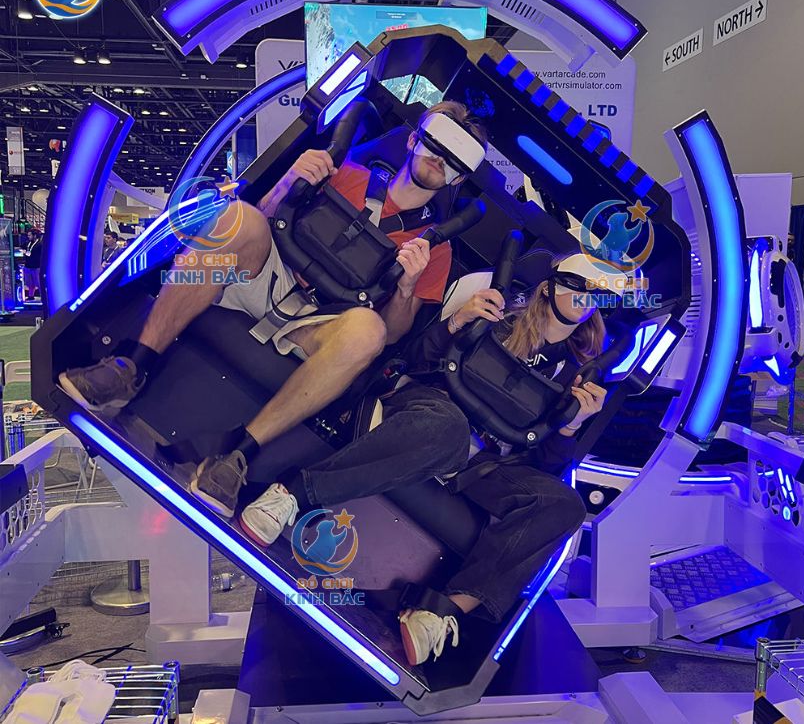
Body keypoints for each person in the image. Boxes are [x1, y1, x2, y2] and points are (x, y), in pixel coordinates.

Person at [59, 100, 488, 519]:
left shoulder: (436, 249)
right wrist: (288, 183)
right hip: (269, 275)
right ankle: (131, 365)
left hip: (321, 319)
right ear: (413, 139)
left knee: (369, 331)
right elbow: (263, 218)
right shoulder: (345, 173)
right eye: (436, 145)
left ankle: (237, 457)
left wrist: (407, 288)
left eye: (453, 160)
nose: (439, 160)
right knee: (240, 217)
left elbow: (392, 334)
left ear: (458, 178)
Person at [240, 252, 616, 666]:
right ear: (550, 284)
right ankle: (292, 494)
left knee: (563, 504)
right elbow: (415, 359)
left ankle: (442, 611)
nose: (586, 300)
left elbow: (544, 465)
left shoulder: (578, 373)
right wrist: (456, 322)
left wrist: (569, 426)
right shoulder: (500, 314)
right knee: (449, 428)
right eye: (579, 287)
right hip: (433, 412)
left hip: (484, 463)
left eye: (597, 295)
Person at [23, 228, 43, 300]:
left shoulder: (40, 244)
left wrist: (26, 253)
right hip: (28, 266)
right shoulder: (28, 243)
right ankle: (31, 296)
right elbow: (22, 248)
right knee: (30, 283)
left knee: (39, 283)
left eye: (30, 235)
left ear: (35, 235)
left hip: (36, 266)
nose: (28, 236)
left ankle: (43, 297)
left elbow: (35, 254)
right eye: (28, 235)